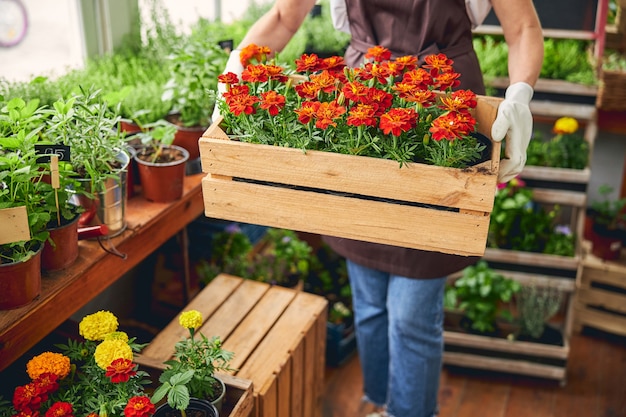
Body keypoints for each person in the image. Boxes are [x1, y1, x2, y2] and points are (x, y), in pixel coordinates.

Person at [214, 1, 543, 416]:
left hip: (444, 114)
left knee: (411, 315)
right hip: (364, 108)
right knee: (368, 303)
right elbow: (283, 17)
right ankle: (384, 403)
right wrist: (238, 66)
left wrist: (520, 96)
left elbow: (523, 27)